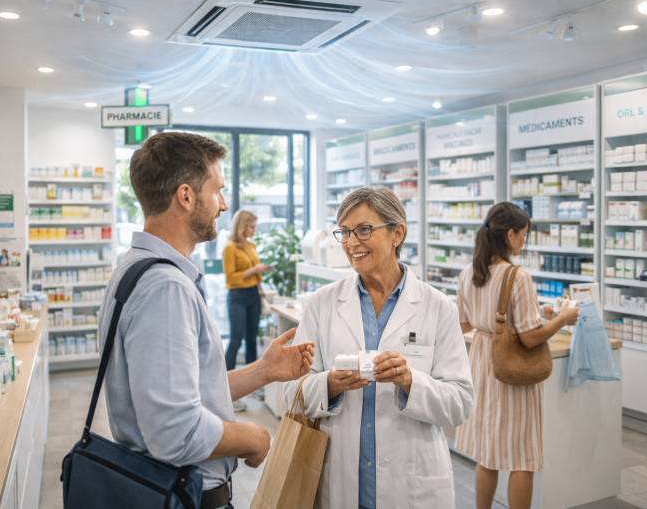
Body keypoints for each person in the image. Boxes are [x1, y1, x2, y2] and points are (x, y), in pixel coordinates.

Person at [98, 132, 315, 509]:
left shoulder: (135, 268)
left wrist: (263, 371)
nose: (224, 204)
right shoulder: (165, 288)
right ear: (185, 196)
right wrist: (253, 437)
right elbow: (176, 432)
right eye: (218, 190)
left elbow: (182, 393)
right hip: (185, 496)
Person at [285, 187, 474, 509]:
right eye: (344, 232)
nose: (351, 243)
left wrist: (410, 381)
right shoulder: (323, 303)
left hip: (411, 484)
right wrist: (329, 384)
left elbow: (460, 403)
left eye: (363, 230)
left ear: (397, 233)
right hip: (341, 480)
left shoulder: (438, 307)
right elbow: (291, 393)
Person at [453, 202, 579, 509]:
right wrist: (562, 318)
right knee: (522, 457)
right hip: (512, 371)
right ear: (509, 235)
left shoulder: (469, 273)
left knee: (487, 454)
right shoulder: (516, 276)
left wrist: (535, 313)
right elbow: (530, 337)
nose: (524, 240)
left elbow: (464, 324)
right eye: (523, 234)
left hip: (482, 364)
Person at [223, 210, 268, 412]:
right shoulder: (230, 248)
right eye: (251, 226)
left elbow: (254, 274)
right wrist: (254, 270)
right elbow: (230, 278)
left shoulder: (251, 245)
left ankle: (253, 385)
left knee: (251, 340)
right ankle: (225, 390)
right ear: (242, 227)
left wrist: (259, 278)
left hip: (253, 295)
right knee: (236, 339)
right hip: (238, 296)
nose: (254, 230)